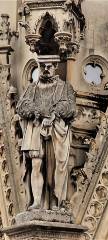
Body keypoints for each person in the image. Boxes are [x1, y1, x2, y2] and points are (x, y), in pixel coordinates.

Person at [17, 55, 76, 210]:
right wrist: (35, 111)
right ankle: (37, 201)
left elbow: (71, 108)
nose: (45, 69)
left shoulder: (65, 87)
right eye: (42, 66)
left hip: (56, 130)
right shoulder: (32, 88)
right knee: (36, 164)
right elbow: (21, 106)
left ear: (55, 66)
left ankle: (55, 199)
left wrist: (54, 114)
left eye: (49, 66)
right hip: (36, 128)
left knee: (55, 166)